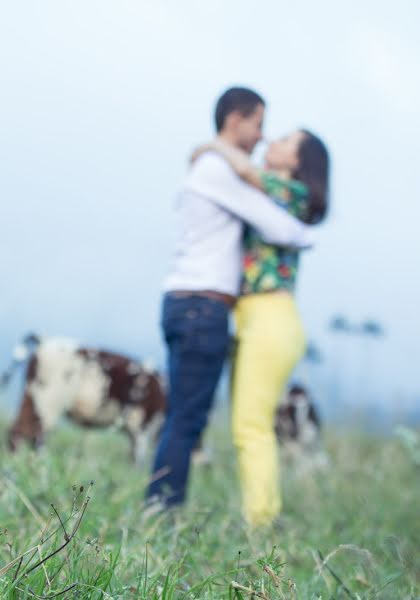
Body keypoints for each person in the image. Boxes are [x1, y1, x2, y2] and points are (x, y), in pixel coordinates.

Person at [146, 87, 315, 510]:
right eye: (258, 124)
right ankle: (162, 508)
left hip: (188, 303)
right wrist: (305, 236)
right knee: (188, 419)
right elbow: (281, 229)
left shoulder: (213, 166)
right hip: (203, 307)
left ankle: (161, 506)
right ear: (236, 119)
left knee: (184, 416)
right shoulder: (216, 170)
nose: (262, 137)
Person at [193, 129, 330, 526]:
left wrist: (212, 145)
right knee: (246, 425)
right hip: (255, 317)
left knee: (252, 425)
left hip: (270, 317)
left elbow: (246, 172)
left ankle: (262, 521)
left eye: (286, 141)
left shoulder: (292, 192)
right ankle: (262, 515)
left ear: (298, 162)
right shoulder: (271, 193)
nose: (273, 140)